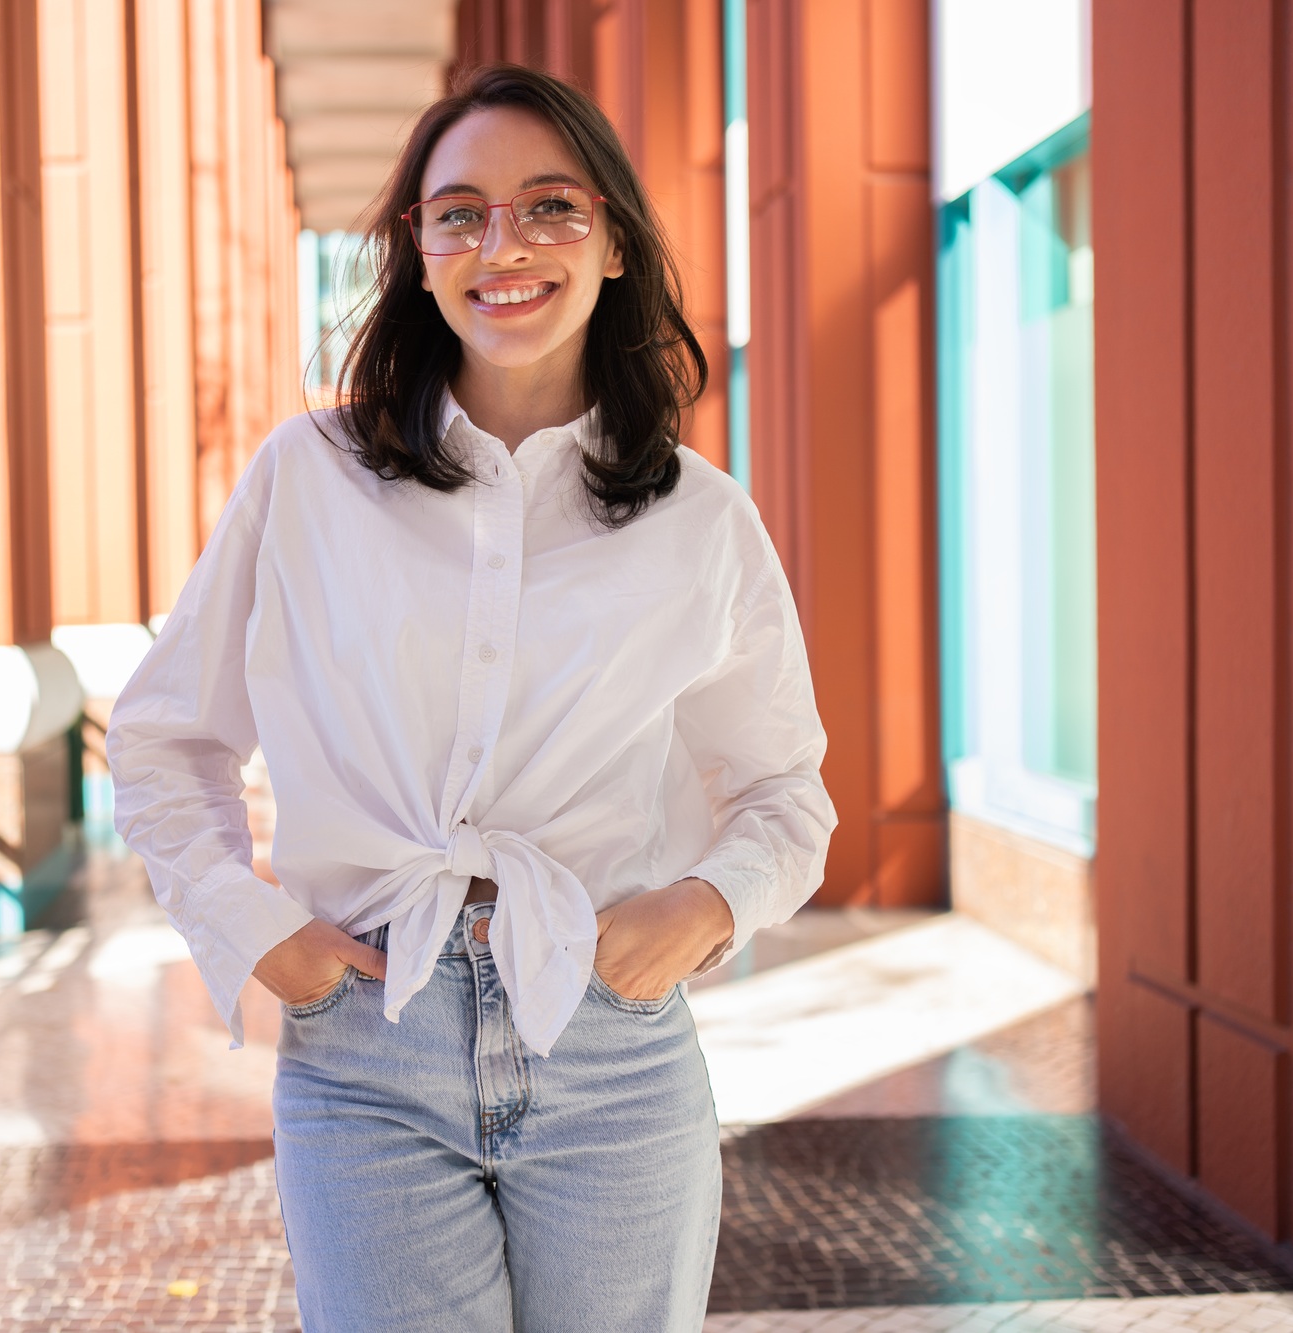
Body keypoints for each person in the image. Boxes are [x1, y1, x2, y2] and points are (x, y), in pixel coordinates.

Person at [108, 62, 835, 1333]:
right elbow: (167, 736)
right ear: (419, 251)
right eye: (461, 212)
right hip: (366, 1044)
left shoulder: (700, 519)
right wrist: (248, 926)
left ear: (612, 242)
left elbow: (782, 790)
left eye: (551, 206)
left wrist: (707, 905)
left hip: (608, 1044)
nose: (503, 245)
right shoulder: (310, 478)